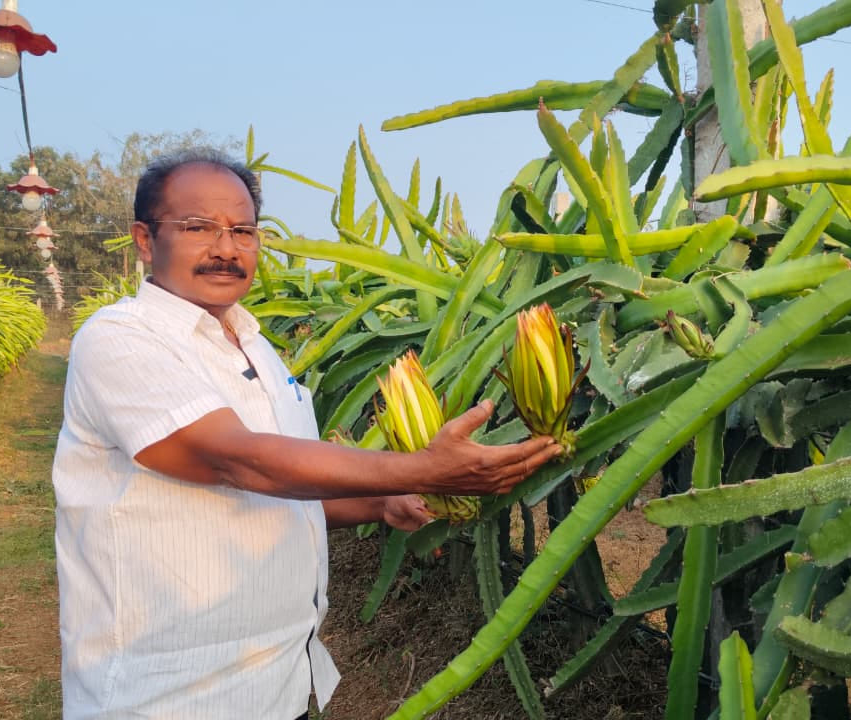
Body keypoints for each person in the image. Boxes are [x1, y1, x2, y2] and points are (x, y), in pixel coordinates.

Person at [52, 147, 561, 719]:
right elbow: (239, 462)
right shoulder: (120, 339)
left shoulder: (257, 347)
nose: (226, 248)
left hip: (276, 681)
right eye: (198, 228)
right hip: (166, 693)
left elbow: (280, 492)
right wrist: (428, 468)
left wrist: (381, 502)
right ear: (145, 240)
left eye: (243, 230)